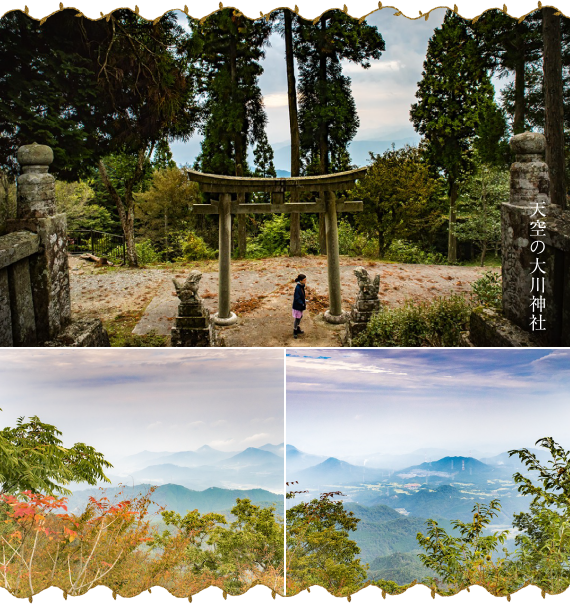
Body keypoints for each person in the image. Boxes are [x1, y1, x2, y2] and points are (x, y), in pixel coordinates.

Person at [292, 274, 307, 339]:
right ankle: (295, 330)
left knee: (300, 317)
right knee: (297, 318)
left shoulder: (301, 286)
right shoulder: (298, 288)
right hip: (298, 306)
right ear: (300, 280)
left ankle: (297, 327)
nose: (305, 281)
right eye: (304, 280)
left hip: (300, 305)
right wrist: (302, 303)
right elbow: (296, 298)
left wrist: (304, 300)